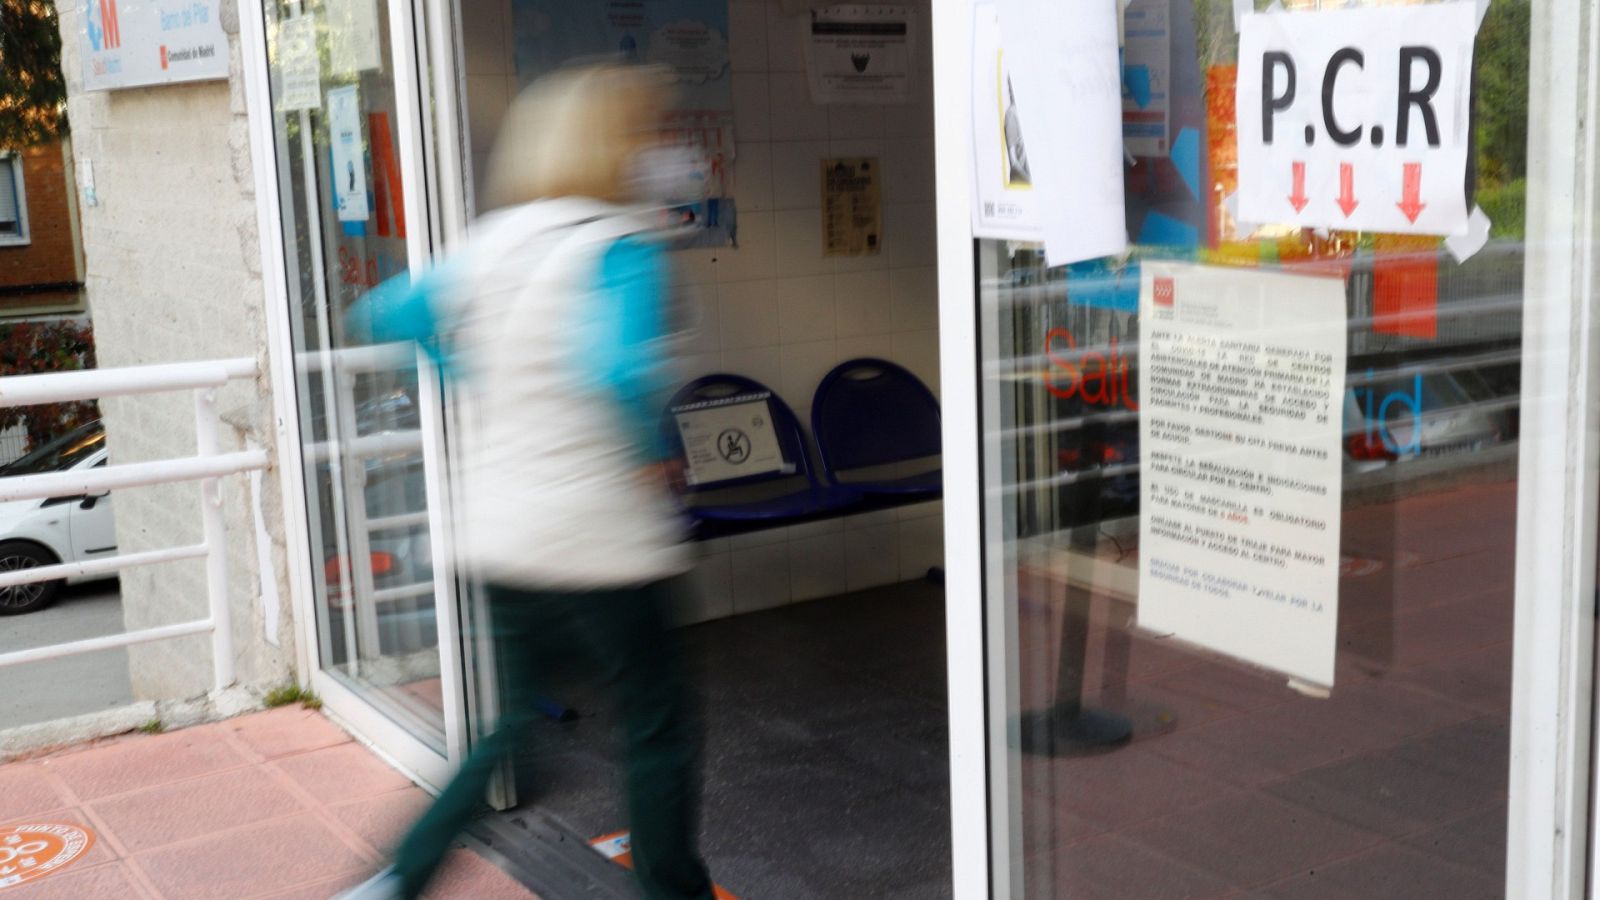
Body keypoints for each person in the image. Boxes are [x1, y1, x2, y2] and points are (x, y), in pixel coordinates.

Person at [338, 63, 715, 900]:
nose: (660, 148)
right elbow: (617, 371)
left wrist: (465, 370)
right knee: (656, 729)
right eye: (649, 133)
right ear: (615, 147)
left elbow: (387, 312)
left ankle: (397, 880)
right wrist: (653, 451)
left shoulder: (489, 243)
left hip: (501, 533)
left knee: (510, 727)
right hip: (600, 539)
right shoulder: (618, 246)